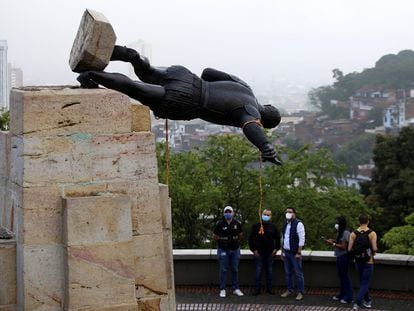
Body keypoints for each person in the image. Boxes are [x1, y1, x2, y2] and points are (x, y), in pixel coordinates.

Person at [77, 45, 282, 165]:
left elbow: (208, 72)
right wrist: (265, 146)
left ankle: (134, 57)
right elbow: (251, 127)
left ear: (268, 105)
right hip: (188, 100)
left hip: (186, 77)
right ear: (264, 122)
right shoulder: (251, 112)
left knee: (147, 72)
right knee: (136, 88)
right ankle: (92, 75)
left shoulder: (245, 87)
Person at [213, 206, 244, 298]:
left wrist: (235, 241)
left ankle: (236, 288)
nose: (228, 213)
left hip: (235, 249)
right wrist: (222, 241)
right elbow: (214, 236)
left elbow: (241, 235)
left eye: (229, 212)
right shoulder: (220, 224)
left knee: (235, 269)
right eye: (226, 212)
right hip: (223, 249)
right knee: (223, 270)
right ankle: (222, 289)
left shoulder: (237, 223)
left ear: (233, 213)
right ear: (224, 213)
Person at [348, 214, 378, 311]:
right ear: (368, 221)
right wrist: (373, 252)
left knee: (362, 282)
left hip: (358, 261)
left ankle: (368, 301)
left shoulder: (353, 234)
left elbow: (349, 249)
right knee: (365, 283)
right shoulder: (372, 233)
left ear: (359, 222)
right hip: (368, 261)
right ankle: (357, 303)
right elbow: (374, 248)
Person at [248, 209, 281, 296]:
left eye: (268, 215)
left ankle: (269, 289)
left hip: (270, 253)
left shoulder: (273, 227)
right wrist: (254, 250)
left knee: (269, 272)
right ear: (261, 215)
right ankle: (257, 289)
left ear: (271, 216)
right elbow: (250, 239)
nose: (266, 216)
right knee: (258, 272)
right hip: (258, 253)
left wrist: (276, 249)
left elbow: (278, 239)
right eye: (264, 214)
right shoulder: (256, 226)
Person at [324, 216, 353, 304]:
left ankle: (349, 297)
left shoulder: (345, 233)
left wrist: (332, 244)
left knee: (344, 277)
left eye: (337, 223)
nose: (335, 225)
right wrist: (332, 240)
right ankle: (342, 294)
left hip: (344, 256)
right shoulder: (340, 232)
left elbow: (344, 247)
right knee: (341, 276)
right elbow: (339, 242)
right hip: (339, 256)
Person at [280, 207, 305, 301]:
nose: (288, 214)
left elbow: (302, 238)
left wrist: (299, 252)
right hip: (286, 252)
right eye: (286, 212)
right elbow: (283, 238)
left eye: (290, 212)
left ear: (294, 213)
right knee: (288, 273)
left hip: (295, 253)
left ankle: (300, 292)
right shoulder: (286, 224)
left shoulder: (298, 224)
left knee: (298, 273)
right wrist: (282, 251)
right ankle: (289, 290)